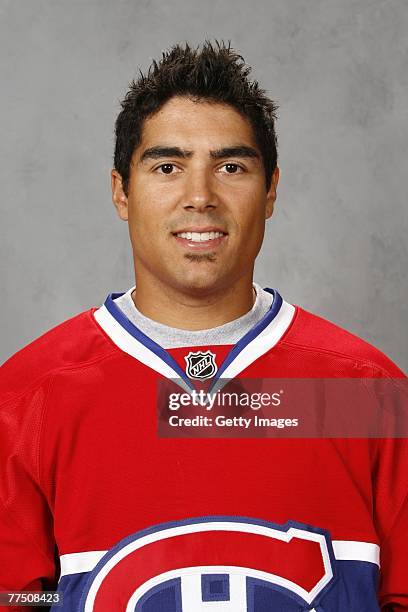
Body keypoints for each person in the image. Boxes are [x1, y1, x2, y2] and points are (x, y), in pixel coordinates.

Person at [0, 40, 407, 611]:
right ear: (121, 191)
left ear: (270, 191)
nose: (200, 196)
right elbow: (14, 599)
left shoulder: (364, 393)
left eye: (231, 167)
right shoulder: (27, 398)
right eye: (168, 166)